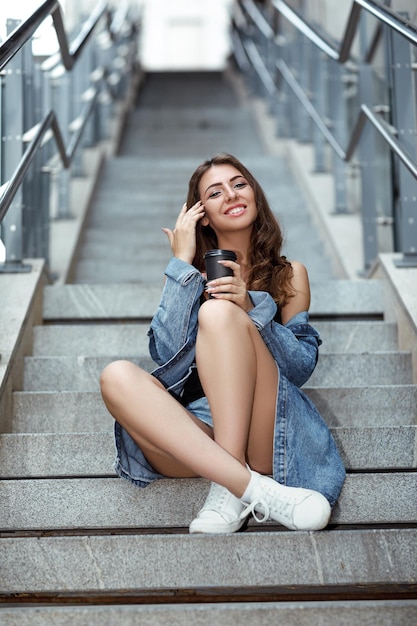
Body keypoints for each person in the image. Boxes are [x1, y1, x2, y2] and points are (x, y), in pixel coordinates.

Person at [100, 153, 346, 534]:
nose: (230, 195)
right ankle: (246, 486)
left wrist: (250, 307)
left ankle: (229, 489)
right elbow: (164, 356)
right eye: (215, 193)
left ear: (255, 195)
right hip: (196, 437)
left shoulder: (289, 274)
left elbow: (298, 368)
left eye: (239, 184)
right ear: (203, 216)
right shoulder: (190, 277)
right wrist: (181, 265)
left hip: (263, 429)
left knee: (219, 314)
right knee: (115, 376)